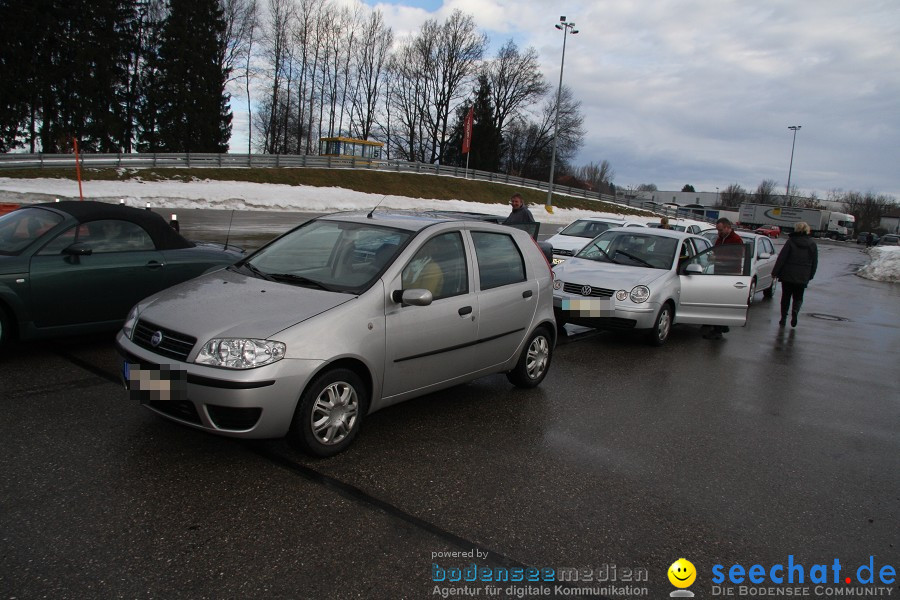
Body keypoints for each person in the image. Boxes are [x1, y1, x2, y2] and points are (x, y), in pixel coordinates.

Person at [703, 218, 744, 340]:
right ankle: (722, 326)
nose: (718, 232)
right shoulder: (720, 239)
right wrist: (713, 256)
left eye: (720, 230)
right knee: (717, 300)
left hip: (729, 274)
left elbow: (737, 256)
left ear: (727, 227)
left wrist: (720, 258)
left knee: (722, 302)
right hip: (719, 272)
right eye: (717, 230)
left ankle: (718, 330)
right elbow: (715, 251)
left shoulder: (736, 240)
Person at [772, 221, 818, 328]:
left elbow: (782, 258)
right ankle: (795, 311)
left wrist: (775, 272)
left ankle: (783, 318)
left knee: (786, 297)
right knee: (798, 297)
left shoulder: (791, 241)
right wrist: (810, 275)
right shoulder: (812, 244)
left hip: (787, 275)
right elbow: (815, 262)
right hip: (803, 276)